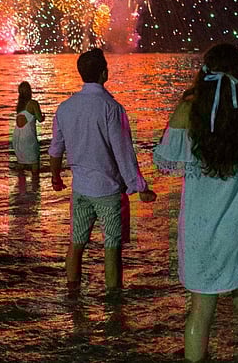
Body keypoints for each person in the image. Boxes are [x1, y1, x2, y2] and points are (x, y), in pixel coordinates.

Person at [153, 43, 238, 363]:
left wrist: (181, 106)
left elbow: (164, 160)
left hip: (199, 232)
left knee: (200, 312)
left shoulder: (191, 111)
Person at [49, 48, 157, 295]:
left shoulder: (65, 108)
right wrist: (139, 186)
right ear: (104, 73)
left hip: (80, 189)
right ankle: (113, 302)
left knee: (76, 244)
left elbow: (56, 148)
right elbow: (123, 152)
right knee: (112, 247)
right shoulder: (112, 108)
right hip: (108, 190)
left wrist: (55, 176)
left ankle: (72, 295)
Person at [12, 81, 45, 179]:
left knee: (21, 163)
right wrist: (43, 117)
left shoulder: (19, 106)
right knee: (34, 162)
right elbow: (39, 119)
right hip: (28, 136)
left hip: (17, 136)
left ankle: (21, 187)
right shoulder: (33, 103)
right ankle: (35, 185)